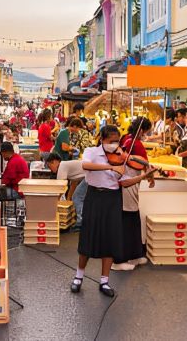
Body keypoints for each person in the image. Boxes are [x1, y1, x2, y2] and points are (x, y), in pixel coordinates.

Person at [72, 125, 125, 297]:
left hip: (113, 198)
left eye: (117, 141)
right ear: (102, 139)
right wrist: (109, 167)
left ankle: (104, 280)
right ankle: (78, 277)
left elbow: (126, 178)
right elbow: (86, 165)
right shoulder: (91, 152)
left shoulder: (121, 155)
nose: (115, 144)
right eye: (111, 141)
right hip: (94, 197)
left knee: (109, 239)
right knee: (87, 236)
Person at [112, 117, 155, 272]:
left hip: (129, 183)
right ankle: (119, 259)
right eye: (146, 131)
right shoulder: (134, 143)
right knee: (127, 221)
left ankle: (134, 254)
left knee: (132, 219)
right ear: (142, 130)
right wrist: (151, 177)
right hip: (128, 184)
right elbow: (145, 164)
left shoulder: (126, 139)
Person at [46, 153, 88, 230]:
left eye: (49, 166)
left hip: (88, 176)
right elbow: (73, 184)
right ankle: (81, 219)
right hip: (89, 175)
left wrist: (55, 202)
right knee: (77, 197)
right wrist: (68, 199)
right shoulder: (66, 165)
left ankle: (80, 222)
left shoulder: (62, 166)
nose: (50, 169)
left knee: (77, 197)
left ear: (54, 162)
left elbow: (60, 188)